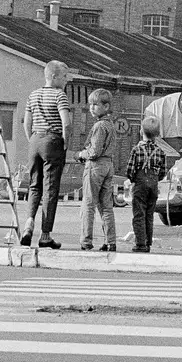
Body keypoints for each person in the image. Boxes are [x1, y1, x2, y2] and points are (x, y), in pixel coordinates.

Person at [20, 60, 72, 249]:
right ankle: (45, 234)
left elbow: (27, 122)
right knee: (50, 189)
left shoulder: (33, 95)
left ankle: (28, 223)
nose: (66, 80)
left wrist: (32, 139)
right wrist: (66, 142)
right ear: (53, 76)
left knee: (34, 186)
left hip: (35, 141)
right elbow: (66, 122)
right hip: (53, 141)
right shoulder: (60, 96)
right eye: (64, 76)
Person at [78, 89, 117, 252]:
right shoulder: (111, 125)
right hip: (109, 165)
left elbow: (94, 152)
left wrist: (81, 154)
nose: (91, 107)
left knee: (88, 203)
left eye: (95, 104)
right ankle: (110, 241)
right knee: (106, 206)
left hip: (95, 166)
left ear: (106, 106)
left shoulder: (99, 126)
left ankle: (86, 240)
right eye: (90, 104)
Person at [125, 114, 167, 253]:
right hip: (153, 185)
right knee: (149, 215)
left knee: (139, 214)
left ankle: (140, 243)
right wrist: (154, 178)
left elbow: (130, 170)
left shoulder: (137, 150)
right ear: (158, 134)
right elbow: (162, 172)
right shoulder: (160, 152)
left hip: (140, 185)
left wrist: (132, 180)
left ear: (141, 131)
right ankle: (148, 242)